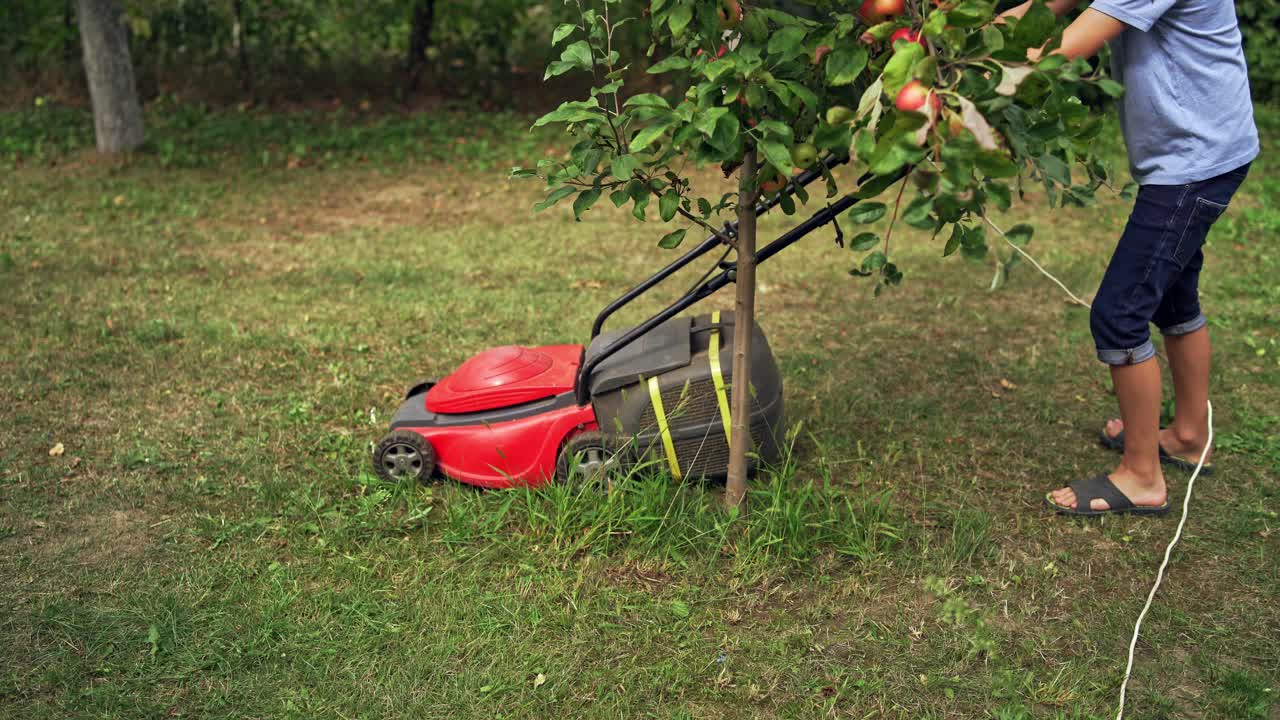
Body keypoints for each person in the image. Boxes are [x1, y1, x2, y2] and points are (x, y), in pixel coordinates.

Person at [996, 0, 1259, 515]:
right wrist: (953, 44)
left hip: (1193, 164)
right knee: (1173, 297)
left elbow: (1062, 49)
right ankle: (1186, 434)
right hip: (1199, 155)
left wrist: (967, 84)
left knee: (1119, 314)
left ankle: (1142, 477)